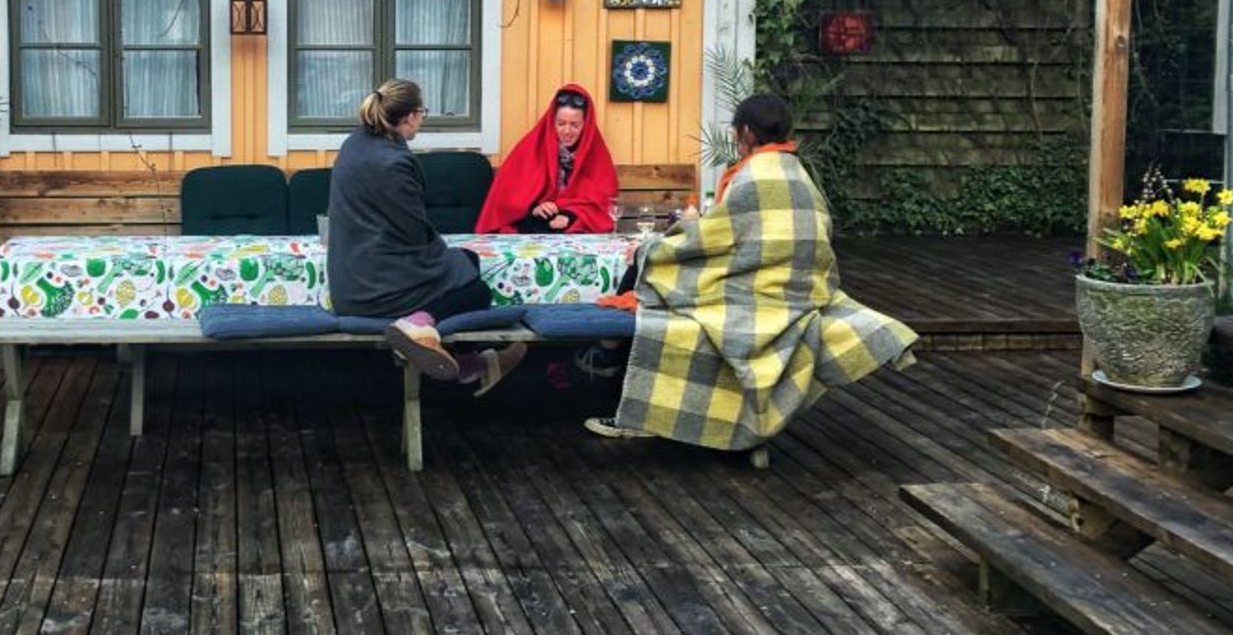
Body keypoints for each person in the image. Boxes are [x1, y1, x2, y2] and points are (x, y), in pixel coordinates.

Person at [583, 92, 917, 448]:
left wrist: (655, 248)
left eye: (734, 134)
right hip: (804, 290)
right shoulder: (799, 174)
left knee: (652, 273)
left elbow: (711, 240)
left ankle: (630, 400)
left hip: (757, 292)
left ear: (745, 132)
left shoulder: (754, 177)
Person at [327, 78, 527, 393]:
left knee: (465, 262)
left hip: (347, 282)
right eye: (422, 113)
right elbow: (414, 233)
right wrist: (446, 256)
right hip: (379, 288)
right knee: (476, 290)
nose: (421, 120)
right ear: (409, 116)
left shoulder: (353, 145)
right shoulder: (395, 162)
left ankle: (469, 364)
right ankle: (417, 326)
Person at [476, 84, 619, 235]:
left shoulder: (596, 155)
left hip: (575, 230)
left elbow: (604, 205)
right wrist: (535, 208)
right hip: (532, 228)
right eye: (561, 123)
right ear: (552, 121)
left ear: (586, 125)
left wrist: (571, 215)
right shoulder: (530, 148)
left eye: (575, 125)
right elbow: (506, 201)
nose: (567, 131)